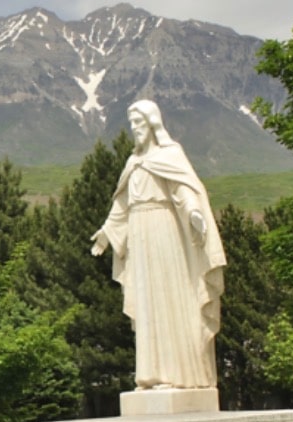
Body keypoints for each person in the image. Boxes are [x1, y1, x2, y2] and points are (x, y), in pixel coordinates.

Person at [90, 100, 226, 390]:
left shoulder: (170, 155)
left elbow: (185, 189)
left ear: (152, 123)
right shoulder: (133, 162)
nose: (134, 129)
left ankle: (178, 374)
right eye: (131, 123)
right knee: (147, 302)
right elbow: (122, 205)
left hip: (165, 232)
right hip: (139, 237)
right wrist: (107, 232)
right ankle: (151, 374)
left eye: (138, 122)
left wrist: (194, 213)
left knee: (169, 297)